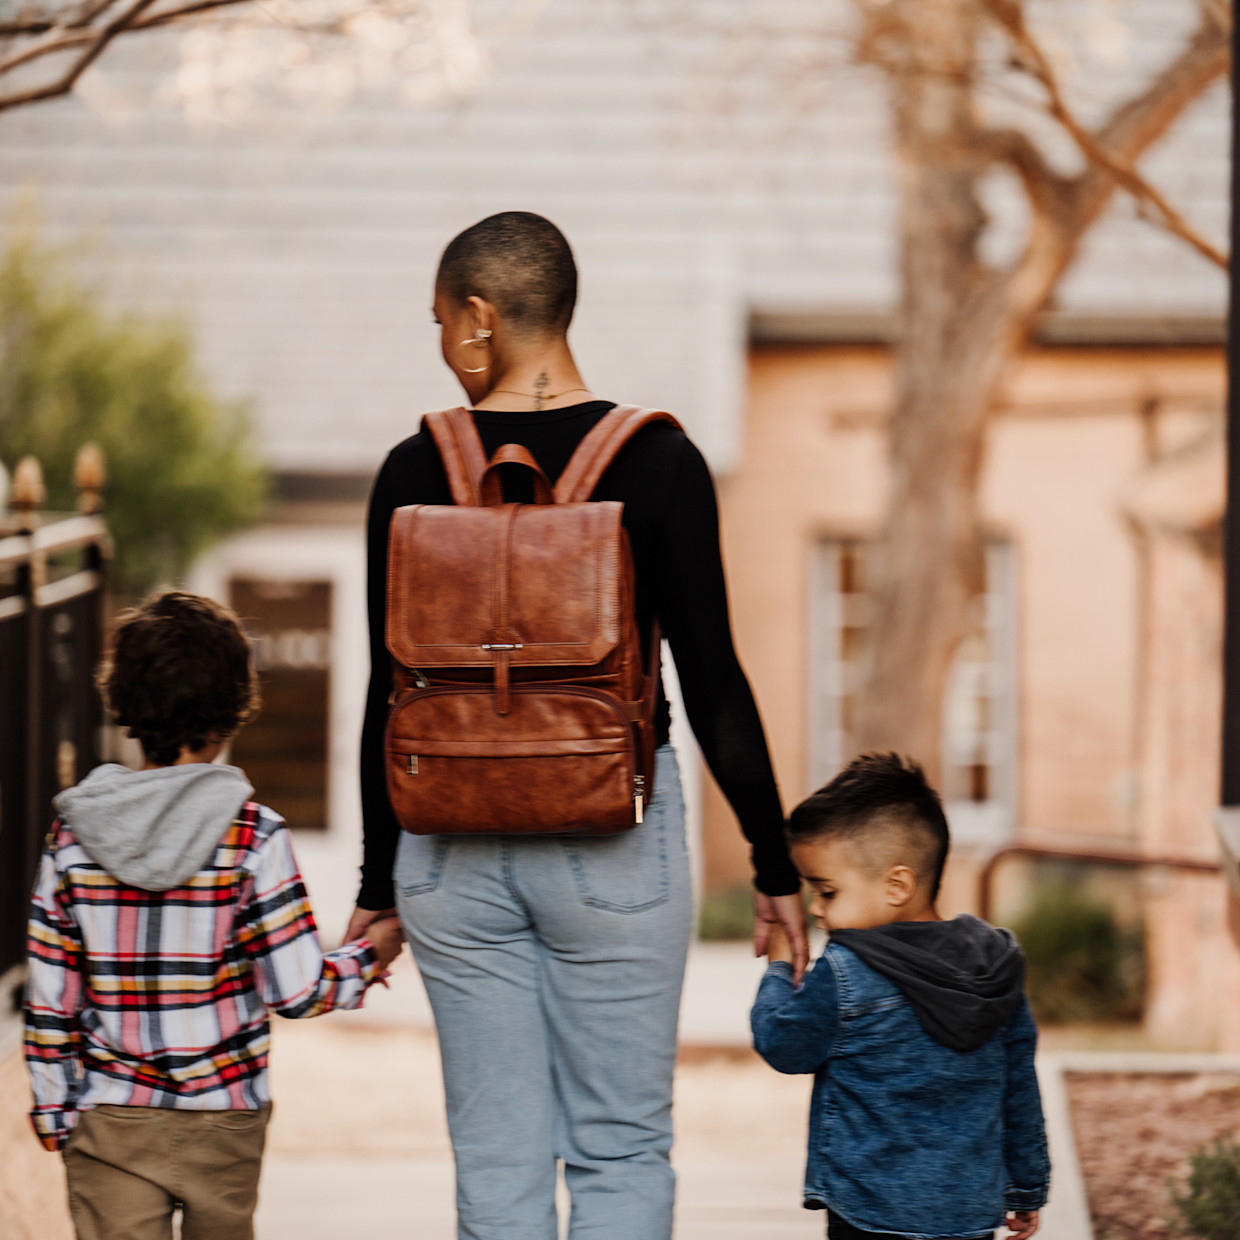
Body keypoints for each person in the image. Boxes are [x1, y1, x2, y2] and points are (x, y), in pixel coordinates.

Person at [348, 210, 808, 1240]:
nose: (440, 342)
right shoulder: (661, 463)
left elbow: (387, 696)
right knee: (621, 1146)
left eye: (439, 320)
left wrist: (379, 888)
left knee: (496, 1158)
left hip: (450, 849)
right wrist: (772, 862)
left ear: (479, 316)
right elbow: (714, 680)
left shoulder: (412, 471)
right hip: (615, 838)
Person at [24, 591, 404, 1240]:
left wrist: (54, 1110)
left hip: (109, 1118)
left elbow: (50, 1000)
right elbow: (297, 990)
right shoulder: (254, 838)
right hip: (224, 1118)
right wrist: (372, 955)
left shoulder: (74, 838)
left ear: (124, 701)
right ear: (235, 707)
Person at [751, 753, 1049, 1240]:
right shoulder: (994, 966)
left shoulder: (846, 971)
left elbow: (784, 1046)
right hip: (967, 1214)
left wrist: (780, 968)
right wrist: (1026, 1188)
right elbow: (1020, 1090)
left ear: (897, 885)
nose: (816, 908)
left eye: (827, 892)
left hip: (868, 1211)